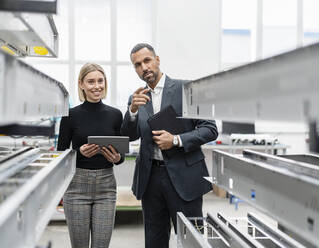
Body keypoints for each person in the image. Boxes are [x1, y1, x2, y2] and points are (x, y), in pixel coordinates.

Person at [121, 43, 218, 248]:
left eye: (147, 60)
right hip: (151, 180)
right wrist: (131, 112)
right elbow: (129, 136)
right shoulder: (136, 98)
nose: (144, 67)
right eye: (137, 64)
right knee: (154, 241)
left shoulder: (187, 89)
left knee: (191, 238)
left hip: (185, 177)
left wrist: (176, 140)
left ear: (157, 59)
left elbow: (210, 129)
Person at [57, 63, 124, 248]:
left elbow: (121, 155)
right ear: (81, 84)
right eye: (91, 81)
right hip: (76, 186)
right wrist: (79, 153)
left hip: (106, 186)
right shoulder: (70, 115)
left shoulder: (116, 115)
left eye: (100, 81)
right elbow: (61, 155)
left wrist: (116, 158)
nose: (97, 86)